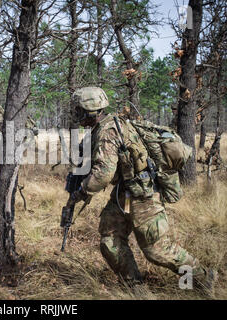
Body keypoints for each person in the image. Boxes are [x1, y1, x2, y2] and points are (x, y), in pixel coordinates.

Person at [68, 86, 216, 295]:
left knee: (156, 250)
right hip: (125, 195)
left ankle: (201, 276)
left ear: (89, 110)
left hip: (143, 195)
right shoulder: (105, 127)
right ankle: (135, 286)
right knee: (110, 239)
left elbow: (103, 175)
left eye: (78, 110)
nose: (76, 115)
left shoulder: (108, 131)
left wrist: (81, 191)